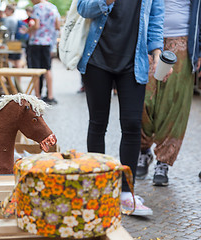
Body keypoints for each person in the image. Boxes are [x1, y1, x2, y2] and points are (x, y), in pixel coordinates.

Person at [77, 0, 169, 216]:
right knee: (98, 123)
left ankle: (126, 193)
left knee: (132, 125)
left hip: (133, 62)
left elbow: (155, 20)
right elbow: (82, 8)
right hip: (97, 58)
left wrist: (157, 53)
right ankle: (98, 190)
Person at [137, 0, 201, 186]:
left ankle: (163, 162)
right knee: (142, 100)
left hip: (182, 43)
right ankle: (143, 150)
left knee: (174, 105)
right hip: (147, 42)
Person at [29, 0, 60, 104]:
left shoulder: (37, 7)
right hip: (48, 42)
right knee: (48, 69)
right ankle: (50, 96)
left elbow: (36, 25)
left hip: (36, 42)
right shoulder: (53, 7)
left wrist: (29, 29)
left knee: (36, 70)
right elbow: (57, 26)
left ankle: (37, 96)